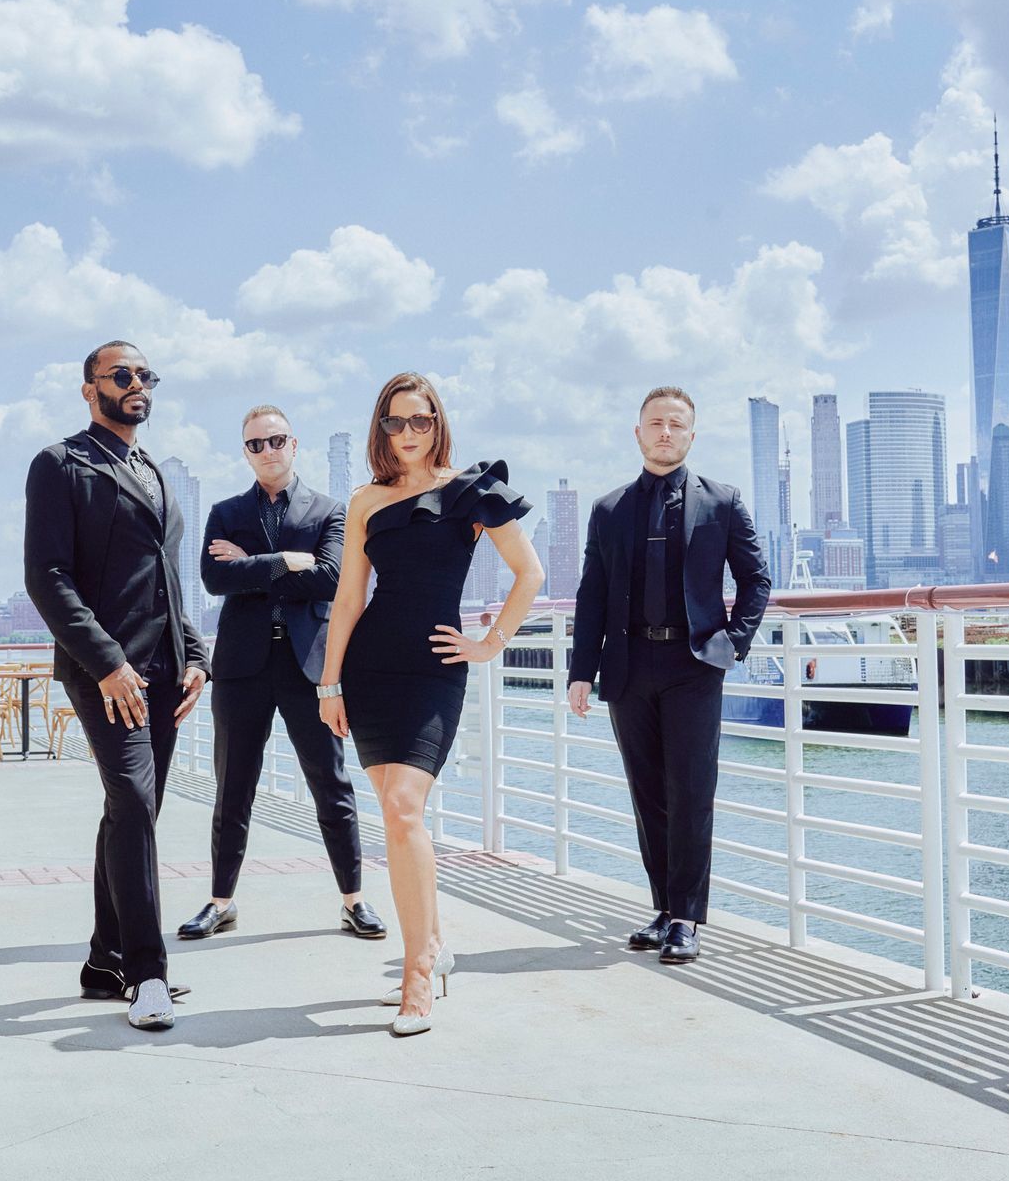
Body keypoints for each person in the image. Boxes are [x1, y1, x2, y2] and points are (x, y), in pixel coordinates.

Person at [319, 373, 541, 1036]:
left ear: (438, 423)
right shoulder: (364, 501)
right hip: (371, 667)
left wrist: (490, 643)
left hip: (436, 668)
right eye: (395, 422)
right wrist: (329, 682)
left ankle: (417, 972)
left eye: (420, 420)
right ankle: (435, 947)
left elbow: (530, 573)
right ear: (380, 430)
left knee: (403, 806)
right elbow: (349, 599)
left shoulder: (472, 492)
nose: (408, 433)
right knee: (395, 818)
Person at [23, 340, 209, 1030]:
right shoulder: (60, 464)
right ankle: (146, 973)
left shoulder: (153, 470)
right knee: (131, 799)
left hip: (164, 669)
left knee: (134, 810)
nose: (137, 384)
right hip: (107, 671)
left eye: (145, 375)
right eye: (122, 375)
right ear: (89, 388)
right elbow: (46, 575)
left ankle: (104, 958)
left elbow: (168, 580)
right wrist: (105, 661)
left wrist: (195, 654)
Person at [566, 387, 771, 966]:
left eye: (675, 425)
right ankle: (662, 907)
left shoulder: (723, 502)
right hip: (628, 667)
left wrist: (733, 643)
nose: (664, 433)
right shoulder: (609, 509)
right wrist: (583, 670)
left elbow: (756, 579)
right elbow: (592, 596)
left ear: (690, 435)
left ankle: (686, 917)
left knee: (691, 792)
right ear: (637, 433)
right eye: (654, 424)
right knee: (648, 793)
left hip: (694, 666)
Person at [184, 405, 386, 942]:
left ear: (294, 444)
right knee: (232, 790)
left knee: (332, 786)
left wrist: (254, 562)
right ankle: (219, 901)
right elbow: (212, 579)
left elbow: (332, 578)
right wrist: (288, 560)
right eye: (255, 444)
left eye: (275, 441)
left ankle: (354, 900)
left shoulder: (329, 510)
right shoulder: (225, 512)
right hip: (241, 670)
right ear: (245, 453)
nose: (267, 451)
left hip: (309, 670)